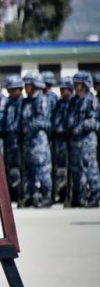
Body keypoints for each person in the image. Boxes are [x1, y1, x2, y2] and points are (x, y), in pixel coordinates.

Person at [19, 72, 52, 208]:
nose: (26, 87)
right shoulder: (26, 101)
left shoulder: (41, 100)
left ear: (35, 85)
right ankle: (33, 196)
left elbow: (43, 120)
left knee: (42, 170)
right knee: (29, 170)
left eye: (28, 85)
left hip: (38, 142)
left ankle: (47, 196)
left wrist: (29, 127)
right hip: (27, 142)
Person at [67, 72, 100, 207]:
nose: (75, 85)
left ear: (85, 84)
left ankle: (95, 195)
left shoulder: (91, 100)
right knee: (77, 169)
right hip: (75, 141)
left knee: (90, 168)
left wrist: (79, 127)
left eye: (78, 83)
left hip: (87, 140)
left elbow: (93, 121)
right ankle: (78, 197)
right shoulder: (74, 101)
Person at [1, 75, 24, 202]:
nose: (11, 92)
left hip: (19, 141)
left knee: (19, 168)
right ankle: (12, 194)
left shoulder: (23, 103)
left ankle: (20, 194)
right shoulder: (8, 102)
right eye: (9, 90)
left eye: (13, 89)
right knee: (9, 168)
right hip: (9, 141)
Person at [51, 77, 73, 204]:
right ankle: (60, 193)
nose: (62, 90)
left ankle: (70, 195)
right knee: (59, 169)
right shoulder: (59, 103)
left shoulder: (73, 102)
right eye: (61, 88)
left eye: (64, 88)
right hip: (58, 140)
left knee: (70, 169)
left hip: (70, 139)